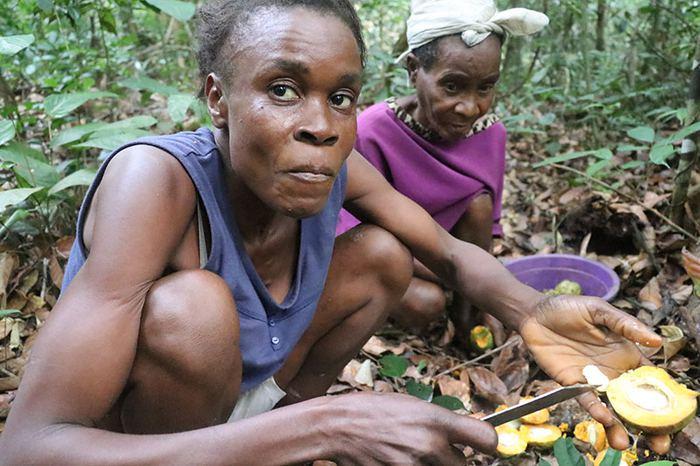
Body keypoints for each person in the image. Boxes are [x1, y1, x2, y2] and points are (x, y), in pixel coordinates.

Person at [0, 1, 664, 464]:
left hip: (253, 391)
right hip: (147, 439)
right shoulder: (156, 180)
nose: (322, 125)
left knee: (383, 252)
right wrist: (324, 428)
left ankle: (275, 437)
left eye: (341, 97)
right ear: (215, 99)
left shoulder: (338, 162)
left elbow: (450, 253)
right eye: (282, 89)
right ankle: (279, 437)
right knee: (193, 309)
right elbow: (31, 447)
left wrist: (532, 311)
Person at [336, 0, 549, 335]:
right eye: (452, 86)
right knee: (426, 304)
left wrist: (486, 297)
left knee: (478, 202)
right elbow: (353, 230)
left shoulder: (491, 135)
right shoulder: (375, 130)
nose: (469, 107)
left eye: (485, 87)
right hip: (389, 255)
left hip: (449, 257)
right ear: (413, 69)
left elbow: (486, 224)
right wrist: (459, 274)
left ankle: (469, 319)